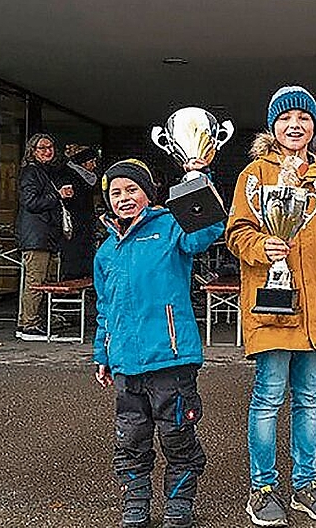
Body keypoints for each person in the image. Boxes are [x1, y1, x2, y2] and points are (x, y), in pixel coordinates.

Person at [226, 86, 316, 527]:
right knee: (268, 398)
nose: (295, 126)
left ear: (313, 127)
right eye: (285, 119)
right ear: (273, 126)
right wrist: (265, 246)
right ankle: (262, 489)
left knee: (310, 400)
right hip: (273, 304)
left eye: (303, 118)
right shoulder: (254, 176)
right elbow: (236, 233)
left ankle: (306, 485)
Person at [92, 158, 223, 528]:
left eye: (132, 189)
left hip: (171, 359)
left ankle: (179, 505)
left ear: (148, 194)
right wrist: (103, 352)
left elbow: (207, 229)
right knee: (130, 439)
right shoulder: (106, 251)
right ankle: (135, 504)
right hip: (125, 365)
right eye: (115, 192)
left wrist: (199, 180)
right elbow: (105, 307)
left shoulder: (170, 227)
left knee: (177, 435)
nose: (123, 197)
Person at [15, 133, 74, 341]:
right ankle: (29, 325)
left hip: (43, 236)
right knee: (36, 281)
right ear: (33, 151)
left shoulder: (43, 171)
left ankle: (28, 321)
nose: (48, 151)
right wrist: (57, 195)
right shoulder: (31, 172)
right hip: (36, 236)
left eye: (50, 147)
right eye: (42, 148)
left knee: (41, 280)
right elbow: (30, 202)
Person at [60, 144, 99, 279]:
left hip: (85, 227)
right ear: (83, 162)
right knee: (75, 261)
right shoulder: (69, 176)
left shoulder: (85, 178)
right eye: (91, 161)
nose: (94, 165)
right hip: (76, 228)